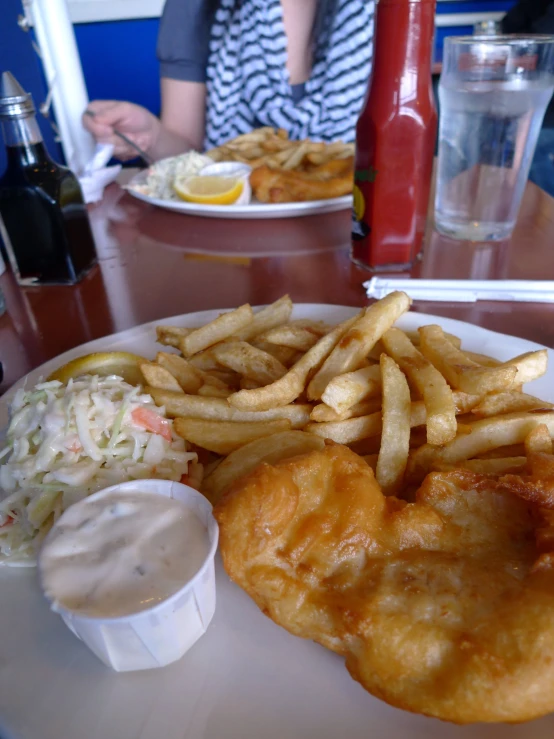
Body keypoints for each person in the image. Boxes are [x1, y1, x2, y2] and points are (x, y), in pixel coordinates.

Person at [83, 0, 374, 161]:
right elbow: (188, 154)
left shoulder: (398, 9)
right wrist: (152, 135)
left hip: (364, 229)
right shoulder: (193, 6)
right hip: (232, 242)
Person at [501, 0, 554, 196]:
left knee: (530, 146)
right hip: (534, 94)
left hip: (546, 109)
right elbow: (508, 25)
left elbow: (543, 41)